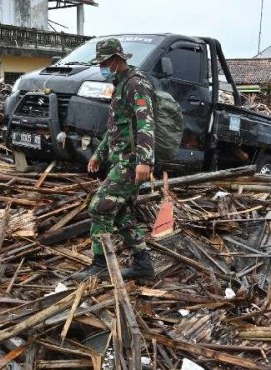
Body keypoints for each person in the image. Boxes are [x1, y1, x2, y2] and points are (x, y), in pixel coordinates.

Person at [70, 38, 155, 281]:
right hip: (121, 160)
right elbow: (115, 128)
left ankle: (100, 265)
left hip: (132, 162)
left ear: (117, 60)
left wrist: (144, 160)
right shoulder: (120, 85)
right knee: (121, 215)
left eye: (105, 63)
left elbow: (146, 122)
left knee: (99, 207)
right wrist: (99, 154)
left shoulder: (136, 85)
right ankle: (143, 266)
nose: (102, 68)